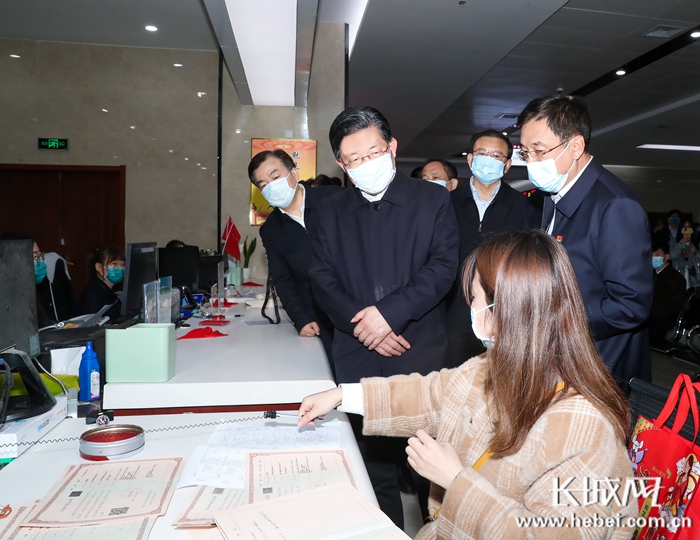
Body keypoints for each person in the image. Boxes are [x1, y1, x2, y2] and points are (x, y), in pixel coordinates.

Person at [299, 230, 636, 540]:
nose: (469, 308)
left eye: (473, 298)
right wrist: (342, 395)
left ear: (504, 309)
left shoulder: (583, 428)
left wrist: (456, 481)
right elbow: (432, 395)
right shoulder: (491, 367)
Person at [309, 106, 458, 528]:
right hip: (357, 351)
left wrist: (389, 316)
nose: (365, 164)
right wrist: (368, 327)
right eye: (354, 159)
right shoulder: (329, 211)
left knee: (427, 463)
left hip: (417, 347)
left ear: (391, 147)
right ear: (341, 164)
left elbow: (442, 267)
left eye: (373, 153)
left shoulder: (432, 199)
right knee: (371, 468)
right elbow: (321, 278)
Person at [518, 94, 653, 389]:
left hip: (598, 368)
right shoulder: (552, 195)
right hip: (558, 360)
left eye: (539, 151)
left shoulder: (615, 206)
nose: (531, 162)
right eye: (525, 153)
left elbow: (630, 305)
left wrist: (554, 323)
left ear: (576, 146)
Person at [445, 129, 532, 368]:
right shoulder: (447, 203)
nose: (488, 160)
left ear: (507, 165)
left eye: (496, 156)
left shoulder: (524, 207)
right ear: (470, 159)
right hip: (453, 316)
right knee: (454, 382)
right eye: (482, 153)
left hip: (504, 318)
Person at [250, 149, 341, 371]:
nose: (271, 186)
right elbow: (283, 279)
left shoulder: (335, 199)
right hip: (320, 320)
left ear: (294, 173)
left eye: (275, 176)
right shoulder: (271, 230)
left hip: (364, 310)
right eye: (263, 184)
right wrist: (300, 319)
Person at [0, 233, 75, 327]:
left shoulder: (31, 291)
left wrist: (64, 327)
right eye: (35, 257)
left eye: (40, 256)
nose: (41, 263)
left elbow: (43, 324)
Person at [73, 245, 125, 320]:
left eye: (122, 264)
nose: (120, 268)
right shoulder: (93, 295)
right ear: (99, 267)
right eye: (114, 264)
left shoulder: (107, 291)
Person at [649, 238, 687, 341]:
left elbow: (673, 307)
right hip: (649, 316)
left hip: (661, 321)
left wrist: (648, 308)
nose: (653, 258)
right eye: (651, 255)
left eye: (657, 255)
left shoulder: (676, 278)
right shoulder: (650, 274)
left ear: (666, 257)